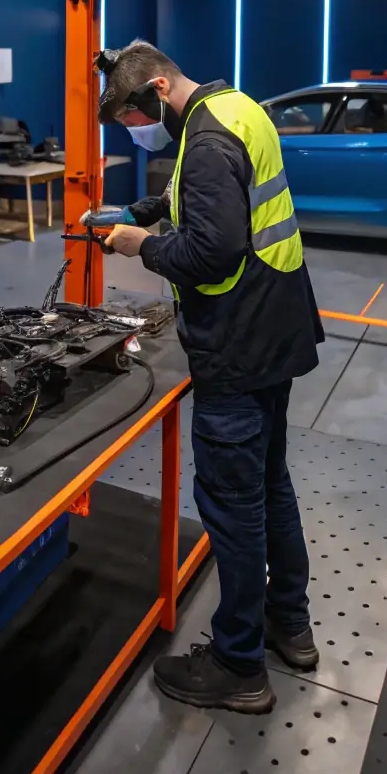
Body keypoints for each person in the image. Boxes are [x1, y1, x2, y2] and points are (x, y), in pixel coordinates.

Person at [98, 41, 323, 715]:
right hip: (279, 326)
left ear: (160, 87)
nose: (140, 130)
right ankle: (291, 623)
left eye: (138, 117)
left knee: (233, 501)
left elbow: (214, 248)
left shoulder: (201, 141)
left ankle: (237, 663)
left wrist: (145, 247)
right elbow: (217, 201)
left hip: (238, 340)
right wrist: (149, 210)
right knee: (269, 480)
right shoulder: (234, 106)